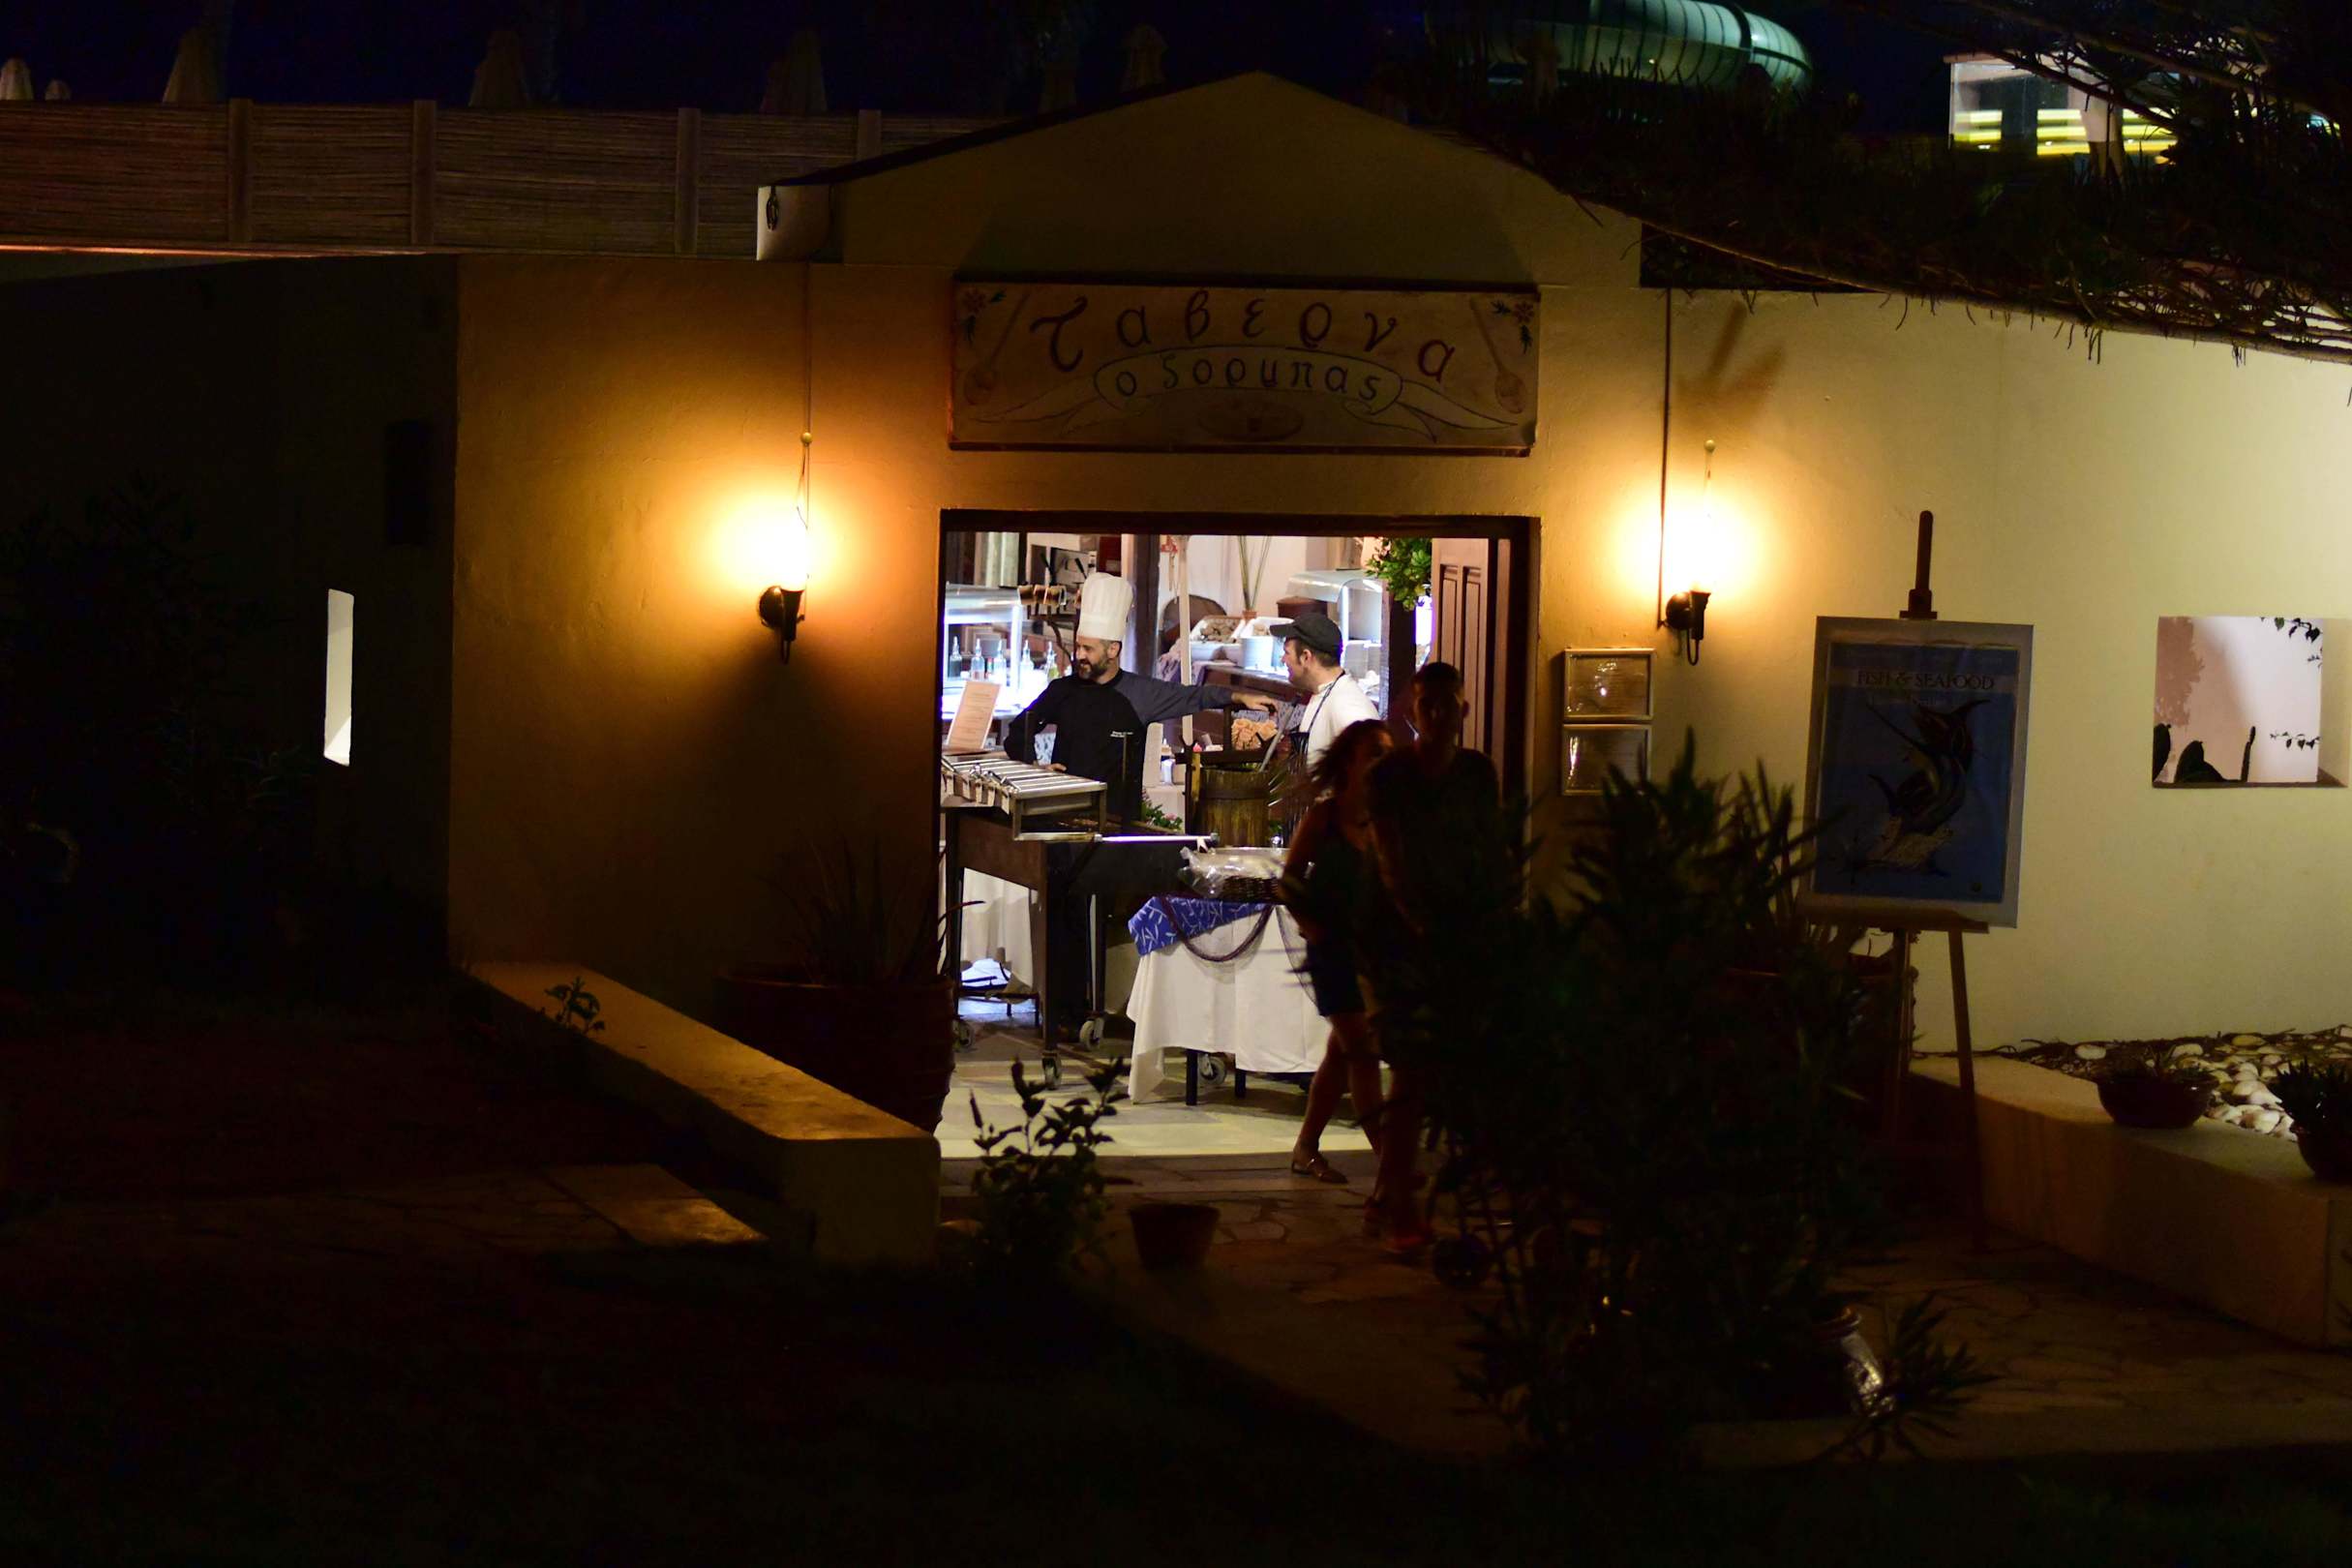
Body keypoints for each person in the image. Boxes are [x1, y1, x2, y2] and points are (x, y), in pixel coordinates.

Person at [1361, 661, 1507, 1251]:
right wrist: (1416, 918)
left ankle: (1393, 1193)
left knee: (1453, 1070)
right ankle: (1400, 1209)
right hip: (1399, 939)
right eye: (1429, 705)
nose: (1441, 715)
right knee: (1412, 1071)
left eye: (1450, 704)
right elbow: (1389, 854)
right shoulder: (1391, 775)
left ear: (1464, 709)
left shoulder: (1476, 774)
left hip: (1461, 933)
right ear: (1412, 712)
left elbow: (1491, 847)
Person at [1278, 718, 1396, 1185]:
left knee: (1342, 1053)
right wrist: (1311, 926)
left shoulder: (1385, 820)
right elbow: (1288, 881)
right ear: (1349, 762)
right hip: (1330, 951)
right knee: (1362, 1052)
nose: (1383, 762)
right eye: (1374, 753)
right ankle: (1389, 1162)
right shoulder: (1324, 819)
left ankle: (1305, 1147)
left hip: (1373, 953)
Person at [1277, 611, 1379, 774]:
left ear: (1306, 657)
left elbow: (1368, 776)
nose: (1283, 659)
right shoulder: (1322, 691)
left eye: (1287, 653)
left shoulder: (1349, 707)